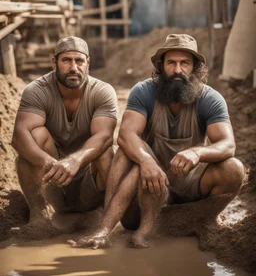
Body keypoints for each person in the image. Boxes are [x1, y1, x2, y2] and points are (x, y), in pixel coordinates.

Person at [69, 33, 244, 250]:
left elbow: (228, 144)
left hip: (190, 181)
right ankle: (109, 228)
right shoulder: (144, 91)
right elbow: (126, 135)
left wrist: (197, 153)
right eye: (171, 62)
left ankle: (204, 218)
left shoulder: (210, 98)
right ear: (161, 66)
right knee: (126, 153)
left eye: (185, 63)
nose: (178, 70)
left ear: (196, 68)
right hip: (149, 185)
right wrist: (145, 160)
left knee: (234, 169)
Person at [12, 36, 117, 237]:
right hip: (53, 179)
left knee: (105, 152)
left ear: (88, 63)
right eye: (66, 60)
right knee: (35, 136)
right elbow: (19, 136)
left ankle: (105, 217)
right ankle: (39, 215)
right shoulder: (37, 90)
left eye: (79, 60)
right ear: (54, 63)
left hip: (89, 182)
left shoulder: (102, 91)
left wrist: (75, 161)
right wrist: (49, 163)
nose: (73, 67)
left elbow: (105, 136)